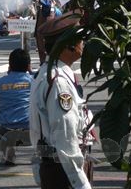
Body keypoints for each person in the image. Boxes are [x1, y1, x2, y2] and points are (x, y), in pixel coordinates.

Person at [30, 11, 93, 189]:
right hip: (64, 173)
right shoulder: (59, 83)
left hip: (57, 168)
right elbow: (66, 138)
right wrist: (81, 184)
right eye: (80, 39)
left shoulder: (48, 73)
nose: (83, 43)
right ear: (69, 46)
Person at [0, 48, 34, 165]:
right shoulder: (34, 81)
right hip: (32, 132)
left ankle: (8, 154)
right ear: (28, 66)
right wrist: (31, 72)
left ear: (10, 65)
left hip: (7, 132)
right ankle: (42, 155)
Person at [33, 0, 53, 65]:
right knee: (40, 49)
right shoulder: (41, 2)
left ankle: (46, 64)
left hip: (45, 29)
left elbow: (47, 5)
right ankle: (42, 63)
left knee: (45, 48)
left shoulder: (48, 1)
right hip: (40, 29)